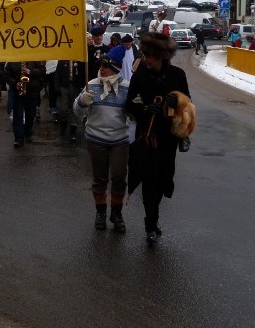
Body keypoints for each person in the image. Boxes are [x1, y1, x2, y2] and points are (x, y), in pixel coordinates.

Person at [126, 32, 191, 245]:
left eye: (150, 56)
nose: (146, 60)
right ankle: (150, 224)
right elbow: (129, 104)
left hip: (168, 137)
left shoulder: (177, 75)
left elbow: (188, 104)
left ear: (161, 57)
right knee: (149, 181)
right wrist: (145, 108)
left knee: (164, 179)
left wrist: (178, 100)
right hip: (147, 135)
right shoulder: (140, 75)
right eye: (145, 55)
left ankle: (154, 217)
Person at [74, 46, 131, 232]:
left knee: (119, 176)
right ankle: (100, 213)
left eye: (106, 67)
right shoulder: (92, 84)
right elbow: (78, 112)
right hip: (96, 139)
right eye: (101, 66)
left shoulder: (126, 87)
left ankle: (117, 213)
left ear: (115, 68)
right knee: (99, 179)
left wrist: (136, 108)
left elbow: (134, 115)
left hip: (119, 141)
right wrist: (81, 101)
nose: (102, 69)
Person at [4, 61, 46, 147]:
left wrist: (31, 72)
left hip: (32, 91)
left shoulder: (35, 57)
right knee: (18, 114)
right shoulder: (13, 59)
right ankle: (19, 138)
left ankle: (28, 132)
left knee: (30, 114)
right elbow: (6, 75)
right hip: (18, 92)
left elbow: (42, 70)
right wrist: (15, 83)